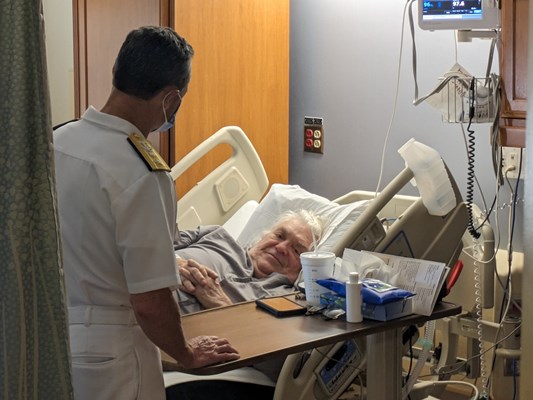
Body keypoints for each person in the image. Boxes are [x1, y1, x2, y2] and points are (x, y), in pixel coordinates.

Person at [53, 26, 239, 400]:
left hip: (52, 339)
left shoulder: (58, 141)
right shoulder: (143, 174)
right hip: (113, 358)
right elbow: (151, 303)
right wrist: (186, 354)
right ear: (171, 99)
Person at [174, 209, 325, 314]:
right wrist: (175, 263)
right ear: (265, 235)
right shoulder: (215, 235)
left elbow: (255, 345)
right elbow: (160, 244)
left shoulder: (286, 300)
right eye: (279, 236)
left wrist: (221, 305)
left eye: (296, 250)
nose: (281, 248)